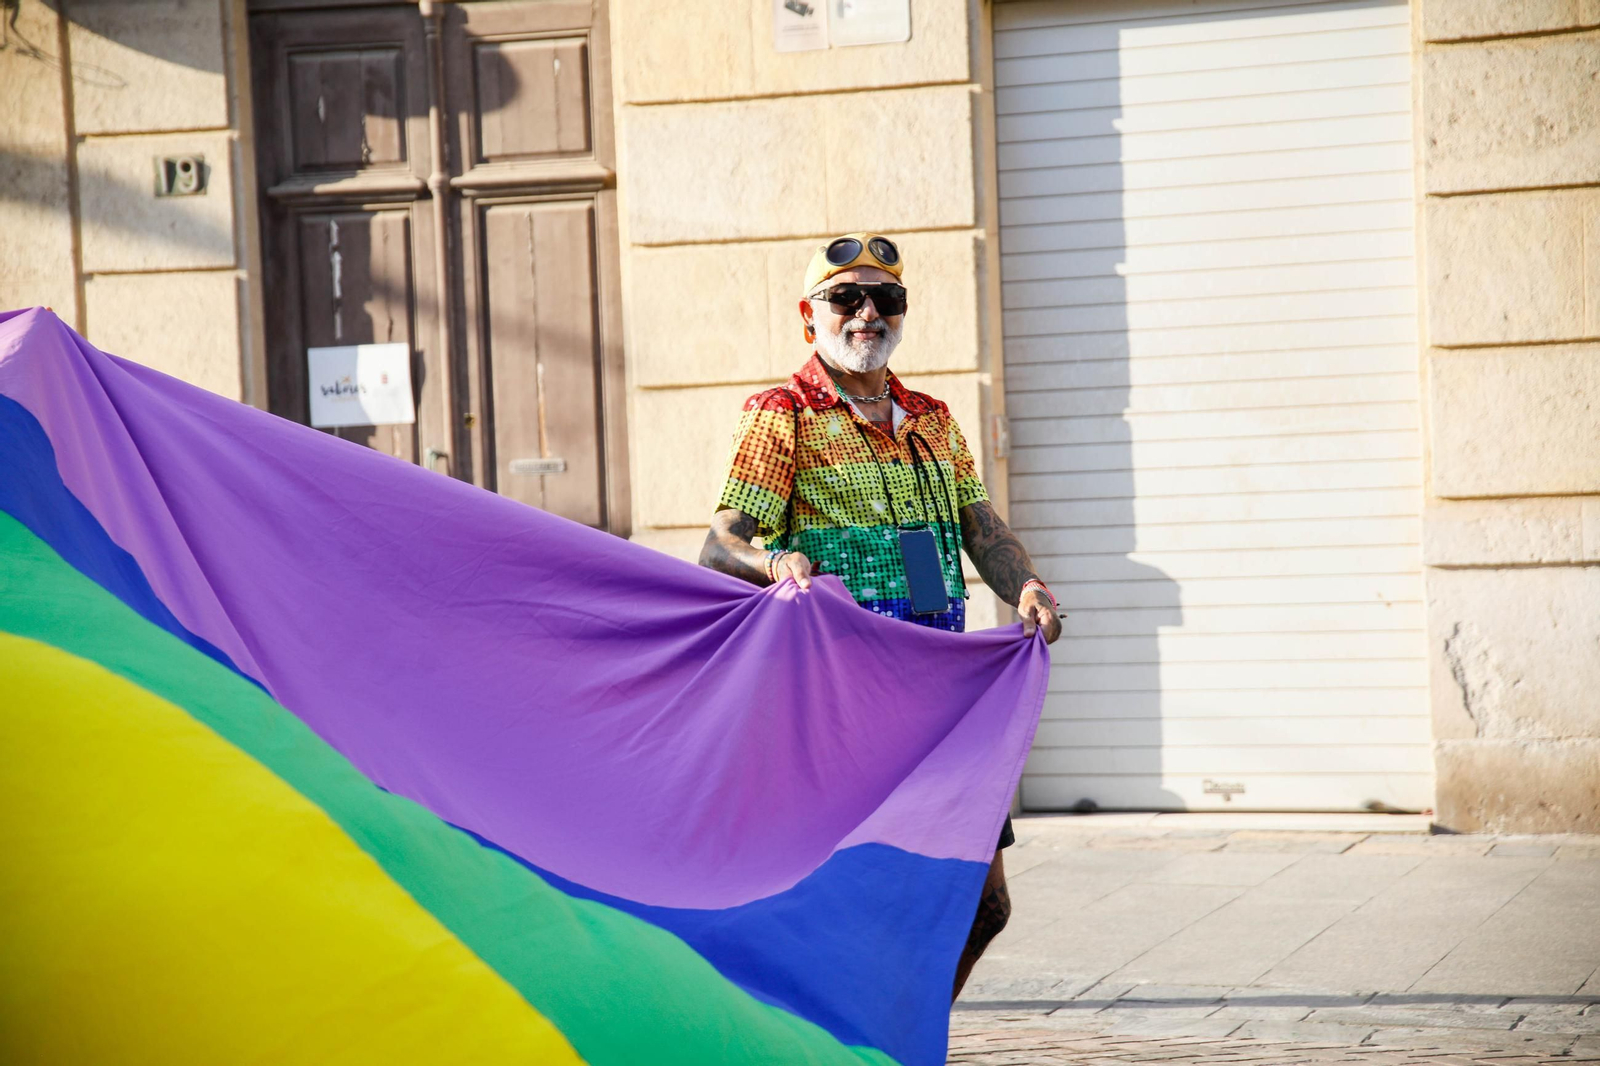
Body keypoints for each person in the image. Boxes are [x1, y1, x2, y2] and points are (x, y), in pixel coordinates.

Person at [698, 232, 1063, 999]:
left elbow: (979, 525)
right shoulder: (782, 413)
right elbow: (722, 541)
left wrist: (1025, 585)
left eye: (885, 299)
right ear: (811, 316)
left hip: (942, 690)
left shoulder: (931, 416)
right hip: (844, 698)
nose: (867, 314)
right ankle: (835, 1034)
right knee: (857, 897)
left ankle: (899, 1032)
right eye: (845, 299)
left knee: (984, 905)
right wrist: (772, 562)